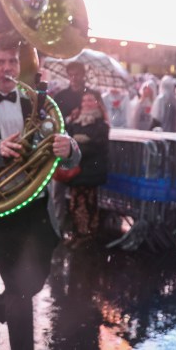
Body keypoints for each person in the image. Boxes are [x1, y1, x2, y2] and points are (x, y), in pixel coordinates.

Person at [0, 35, 81, 349]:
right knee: (21, 289)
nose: (7, 68)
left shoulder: (38, 103)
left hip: (37, 208)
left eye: (12, 61)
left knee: (35, 279)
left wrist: (69, 146)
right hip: (0, 209)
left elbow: (69, 150)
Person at [51, 62, 95, 242]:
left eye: (78, 74)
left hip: (86, 153)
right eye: (72, 74)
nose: (75, 78)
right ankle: (59, 230)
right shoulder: (61, 96)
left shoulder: (92, 95)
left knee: (83, 197)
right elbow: (56, 124)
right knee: (57, 195)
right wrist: (71, 118)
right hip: (62, 152)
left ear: (83, 74)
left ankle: (82, 233)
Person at [65, 89, 110, 246]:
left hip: (91, 171)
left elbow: (98, 145)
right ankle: (79, 233)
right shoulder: (76, 122)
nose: (87, 103)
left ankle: (87, 235)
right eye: (84, 101)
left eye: (90, 100)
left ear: (97, 102)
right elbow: (67, 137)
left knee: (87, 203)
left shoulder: (101, 124)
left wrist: (79, 145)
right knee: (75, 203)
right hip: (76, 170)